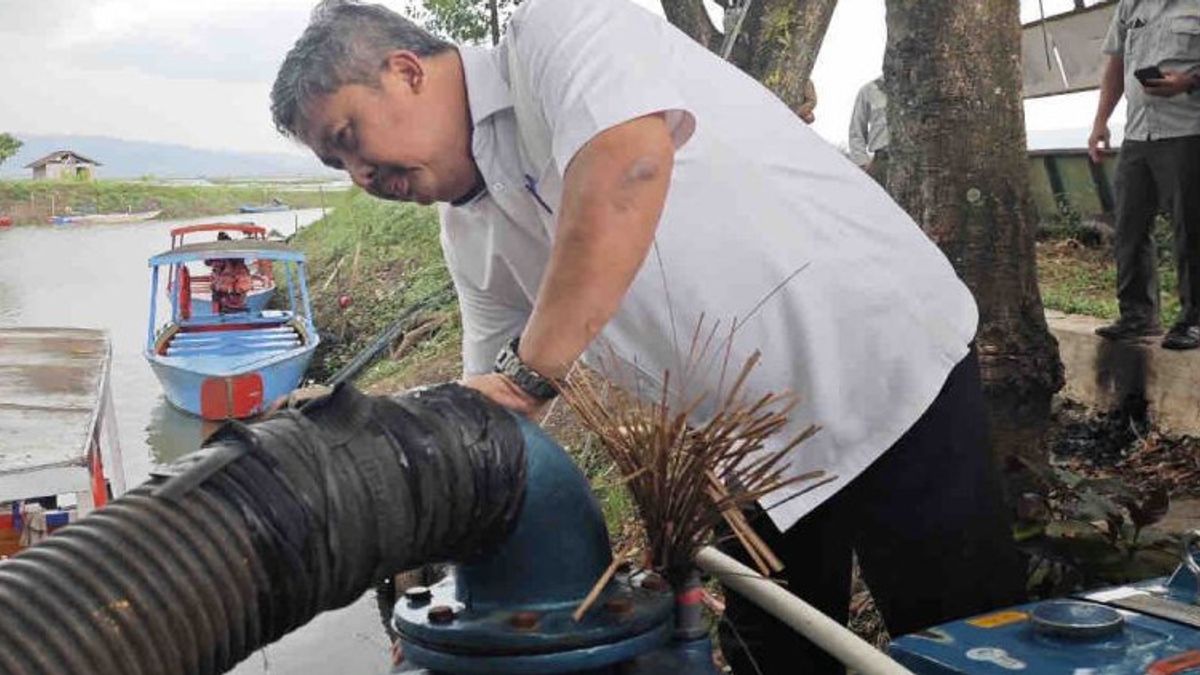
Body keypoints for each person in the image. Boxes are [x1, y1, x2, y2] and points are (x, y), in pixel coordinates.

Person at [271, 1, 1024, 672]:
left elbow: (628, 163)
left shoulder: (556, 29)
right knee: (775, 655)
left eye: (350, 137)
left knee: (957, 641)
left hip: (877, 366)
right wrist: (438, 551)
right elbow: (492, 418)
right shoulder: (467, 230)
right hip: (748, 448)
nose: (359, 173)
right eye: (336, 162)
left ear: (405, 72)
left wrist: (529, 374)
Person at [1089, 1, 1200, 349]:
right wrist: (1100, 121)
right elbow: (1117, 64)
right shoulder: (1131, 5)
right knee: (1129, 227)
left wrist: (1189, 82)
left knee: (1191, 228)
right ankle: (1137, 316)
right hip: (1138, 134)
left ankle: (1194, 321)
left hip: (1189, 131)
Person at [848, 76, 890, 186]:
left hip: (916, 162)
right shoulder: (869, 90)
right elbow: (856, 131)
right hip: (882, 161)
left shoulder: (921, 88)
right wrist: (862, 163)